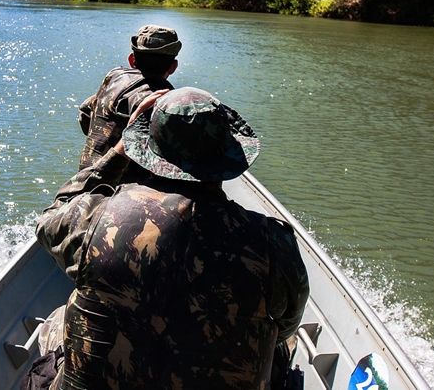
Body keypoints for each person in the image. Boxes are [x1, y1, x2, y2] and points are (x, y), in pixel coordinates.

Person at [36, 87, 310, 390]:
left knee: (58, 320)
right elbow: (285, 326)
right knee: (284, 347)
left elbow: (51, 218)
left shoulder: (96, 219)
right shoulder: (274, 245)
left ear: (146, 150)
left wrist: (117, 152)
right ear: (227, 157)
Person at [78, 24, 180, 184]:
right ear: (173, 67)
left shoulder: (115, 76)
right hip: (121, 194)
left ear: (132, 60)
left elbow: (85, 113)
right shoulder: (158, 101)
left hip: (82, 181)